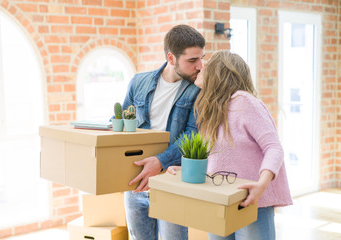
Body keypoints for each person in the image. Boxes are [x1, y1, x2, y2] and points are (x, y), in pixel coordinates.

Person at [168, 51, 293, 240]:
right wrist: (187, 168)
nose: (200, 67)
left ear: (219, 73)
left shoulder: (244, 101)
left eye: (206, 66)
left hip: (249, 201)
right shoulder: (213, 109)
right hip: (219, 200)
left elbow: (274, 147)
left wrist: (261, 185)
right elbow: (219, 157)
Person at [121, 24, 205, 240]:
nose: (200, 66)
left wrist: (159, 162)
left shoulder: (198, 89)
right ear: (171, 58)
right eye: (192, 60)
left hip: (171, 184)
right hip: (135, 183)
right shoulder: (139, 83)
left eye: (201, 58)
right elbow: (122, 124)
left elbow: (191, 135)